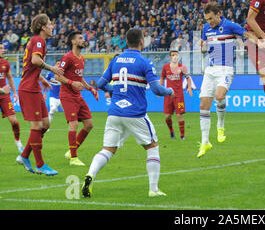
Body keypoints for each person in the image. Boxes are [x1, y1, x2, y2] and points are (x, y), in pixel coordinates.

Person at [82, 28, 174, 198]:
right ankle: (153, 190)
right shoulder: (145, 62)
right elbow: (156, 89)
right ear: (141, 42)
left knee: (107, 150)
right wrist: (169, 91)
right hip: (135, 113)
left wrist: (114, 90)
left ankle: (90, 175)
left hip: (115, 112)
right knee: (152, 147)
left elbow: (101, 84)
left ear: (126, 42)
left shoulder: (116, 60)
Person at [198, 1, 259, 158]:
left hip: (225, 69)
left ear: (219, 15)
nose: (209, 22)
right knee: (203, 105)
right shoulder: (206, 28)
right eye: (206, 19)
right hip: (210, 70)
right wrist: (202, 46)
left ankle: (220, 125)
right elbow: (204, 50)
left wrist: (260, 42)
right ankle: (205, 142)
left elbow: (246, 34)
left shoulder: (230, 26)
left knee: (219, 96)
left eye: (211, 19)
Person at [16, 14, 64, 175]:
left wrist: (41, 78)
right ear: (43, 27)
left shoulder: (36, 41)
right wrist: (52, 69)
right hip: (28, 89)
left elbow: (30, 64)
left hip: (34, 86)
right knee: (37, 127)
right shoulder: (39, 40)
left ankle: (24, 155)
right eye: (50, 24)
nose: (52, 26)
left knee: (45, 124)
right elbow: (35, 60)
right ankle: (40, 164)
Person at [55, 31, 99, 166]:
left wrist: (91, 89)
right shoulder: (67, 58)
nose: (83, 40)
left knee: (89, 124)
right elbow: (57, 76)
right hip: (67, 95)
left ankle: (70, 151)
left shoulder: (81, 58)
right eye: (80, 38)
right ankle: (73, 158)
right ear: (73, 42)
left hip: (77, 96)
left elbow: (80, 79)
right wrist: (71, 83)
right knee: (73, 124)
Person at [160, 49, 193, 140]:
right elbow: (162, 78)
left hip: (179, 95)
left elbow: (188, 78)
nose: (175, 56)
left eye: (176, 55)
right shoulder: (165, 67)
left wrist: (189, 87)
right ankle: (171, 131)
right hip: (168, 95)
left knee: (179, 115)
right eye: (173, 55)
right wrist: (159, 89)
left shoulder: (182, 67)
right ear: (170, 57)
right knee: (167, 117)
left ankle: (182, 135)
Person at [0, 43, 24, 153]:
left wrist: (15, 92)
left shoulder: (5, 63)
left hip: (5, 96)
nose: (3, 50)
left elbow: (9, 78)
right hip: (3, 91)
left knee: (14, 121)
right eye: (0, 48)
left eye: (3, 48)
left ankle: (18, 141)